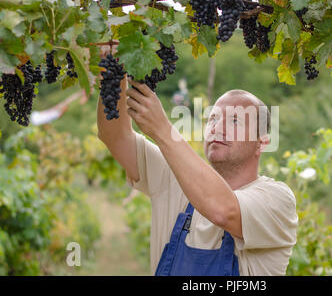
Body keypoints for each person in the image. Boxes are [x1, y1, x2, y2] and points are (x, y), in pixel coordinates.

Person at [97, 49, 298, 276]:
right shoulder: (175, 177)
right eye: (213, 118)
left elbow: (223, 210)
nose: (217, 127)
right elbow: (115, 137)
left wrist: (163, 130)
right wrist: (113, 72)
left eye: (234, 120)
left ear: (262, 143)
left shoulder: (277, 200)